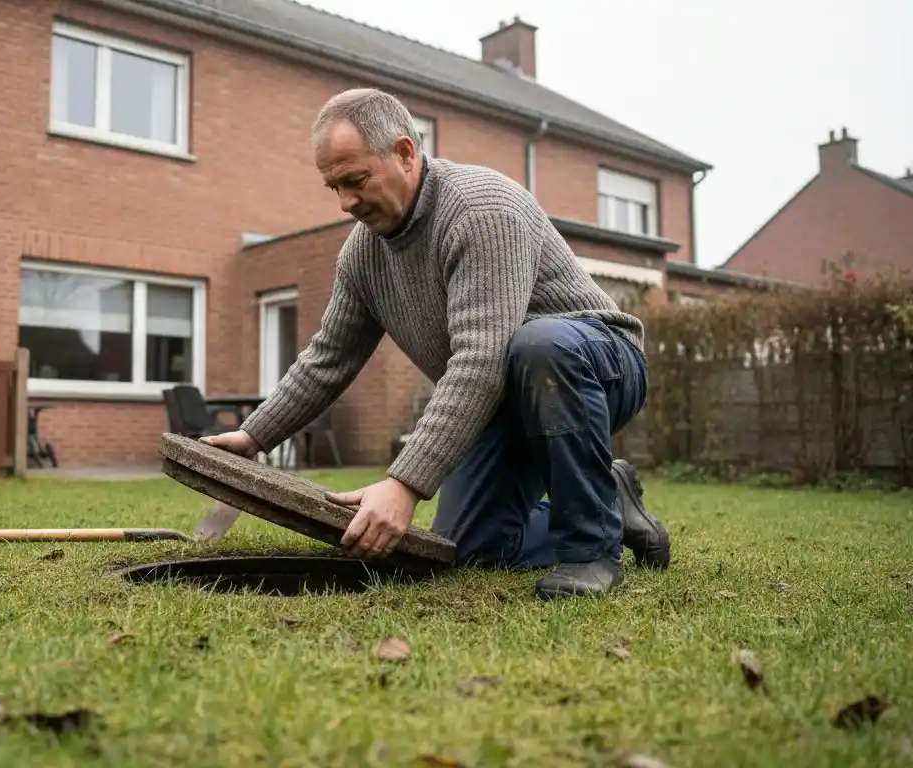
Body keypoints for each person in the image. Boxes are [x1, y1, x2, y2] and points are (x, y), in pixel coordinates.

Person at [203, 88, 670, 600]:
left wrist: (403, 485)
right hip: (503, 400)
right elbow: (328, 358)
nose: (345, 203)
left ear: (405, 153)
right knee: (466, 548)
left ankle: (590, 552)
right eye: (332, 187)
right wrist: (253, 437)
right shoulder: (363, 257)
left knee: (538, 344)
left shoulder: (481, 209)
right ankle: (612, 502)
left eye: (355, 180)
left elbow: (482, 357)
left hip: (595, 363)